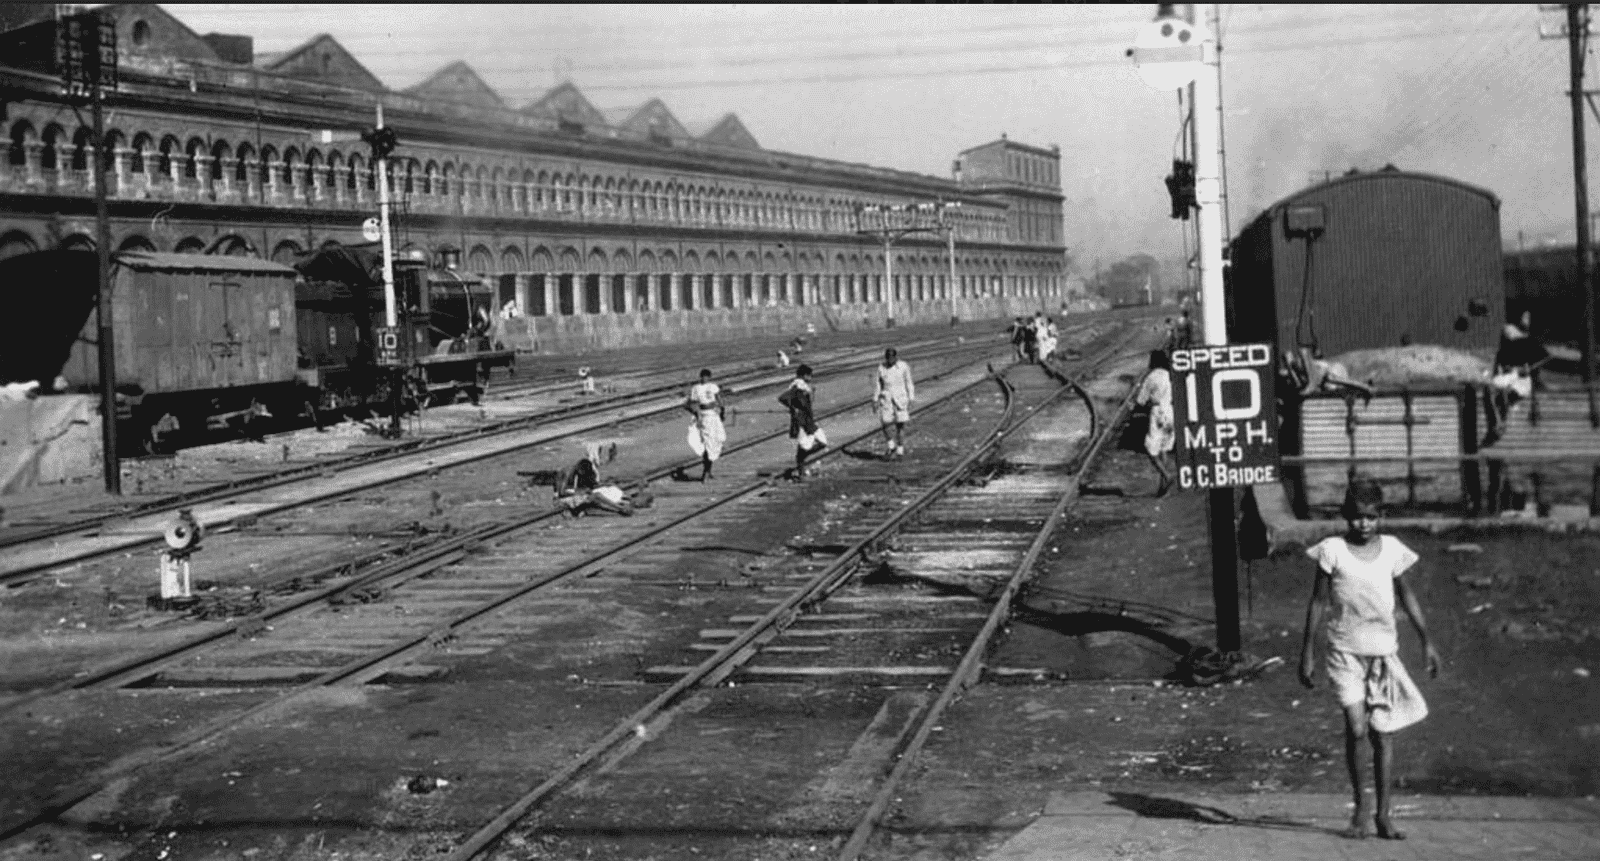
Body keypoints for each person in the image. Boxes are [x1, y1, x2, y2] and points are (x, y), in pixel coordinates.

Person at [1298, 479, 1441, 841]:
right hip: (1344, 652)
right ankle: (1360, 810)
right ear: (1346, 517)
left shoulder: (1392, 550)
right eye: (1357, 517)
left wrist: (1427, 642)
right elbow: (1317, 602)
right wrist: (1307, 652)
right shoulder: (1332, 550)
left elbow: (1407, 597)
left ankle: (1384, 815)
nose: (1364, 524)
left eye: (1371, 517)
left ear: (1381, 517)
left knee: (1383, 734)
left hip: (1383, 654)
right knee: (1357, 728)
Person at [1132, 349, 1175, 496]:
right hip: (1171, 411)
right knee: (1164, 447)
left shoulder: (1152, 377)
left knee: (1150, 448)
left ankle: (1166, 475)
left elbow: (1141, 400)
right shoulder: (1170, 375)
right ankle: (1163, 486)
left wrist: (1138, 406)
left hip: (1158, 413)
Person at [777, 364, 826, 481]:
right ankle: (800, 464)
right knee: (807, 446)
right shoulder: (797, 386)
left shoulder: (803, 387)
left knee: (822, 442)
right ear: (804, 375)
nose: (811, 378)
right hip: (801, 422)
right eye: (810, 375)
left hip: (808, 421)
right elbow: (783, 397)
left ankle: (801, 462)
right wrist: (793, 408)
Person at [684, 368, 726, 481]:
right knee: (704, 445)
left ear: (709, 377)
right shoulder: (696, 388)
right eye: (702, 376)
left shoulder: (713, 387)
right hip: (702, 418)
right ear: (700, 377)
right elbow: (690, 403)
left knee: (714, 443)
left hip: (713, 416)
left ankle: (709, 470)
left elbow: (720, 400)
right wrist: (695, 412)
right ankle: (705, 471)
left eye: (706, 377)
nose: (704, 379)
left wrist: (722, 412)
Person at [874, 347, 915, 458]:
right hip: (886, 399)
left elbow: (909, 382)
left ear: (896, 357)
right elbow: (878, 385)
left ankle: (900, 450)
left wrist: (911, 397)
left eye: (892, 358)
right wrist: (875, 399)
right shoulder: (881, 368)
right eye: (888, 358)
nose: (890, 360)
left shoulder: (903, 366)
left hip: (900, 399)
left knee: (900, 425)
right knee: (885, 423)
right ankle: (891, 445)